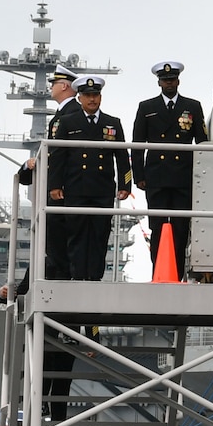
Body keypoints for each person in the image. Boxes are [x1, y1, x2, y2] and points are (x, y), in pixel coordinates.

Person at [48, 76, 131, 281]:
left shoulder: (112, 123)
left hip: (101, 189)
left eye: (95, 95)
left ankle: (94, 278)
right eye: (87, 96)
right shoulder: (68, 123)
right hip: (76, 188)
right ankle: (78, 277)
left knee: (99, 236)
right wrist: (55, 185)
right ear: (80, 97)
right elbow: (58, 155)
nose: (92, 100)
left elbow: (122, 156)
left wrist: (125, 184)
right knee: (76, 236)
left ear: (100, 97)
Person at [131, 61, 208, 279]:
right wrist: (139, 176)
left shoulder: (192, 106)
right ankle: (159, 272)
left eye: (172, 79)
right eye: (165, 80)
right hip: (157, 177)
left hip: (183, 176)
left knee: (181, 229)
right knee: (158, 228)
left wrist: (200, 176)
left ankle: (177, 274)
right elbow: (138, 145)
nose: (169, 83)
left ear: (178, 81)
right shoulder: (147, 108)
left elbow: (202, 143)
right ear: (159, 82)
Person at [13, 63, 81, 286]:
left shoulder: (72, 114)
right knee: (53, 243)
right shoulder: (64, 114)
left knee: (59, 244)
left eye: (54, 83)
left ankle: (61, 281)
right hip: (56, 190)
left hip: (63, 192)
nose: (51, 87)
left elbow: (65, 153)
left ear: (64, 86)